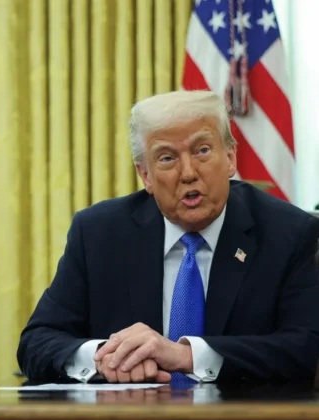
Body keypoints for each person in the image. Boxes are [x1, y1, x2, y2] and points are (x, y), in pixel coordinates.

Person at [17, 90, 319, 385]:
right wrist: (106, 358)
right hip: (133, 417)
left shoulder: (288, 233)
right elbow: (36, 342)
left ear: (230, 158)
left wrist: (186, 356)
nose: (188, 173)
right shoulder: (98, 233)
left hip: (241, 416)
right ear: (145, 175)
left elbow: (306, 347)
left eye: (202, 151)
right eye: (166, 158)